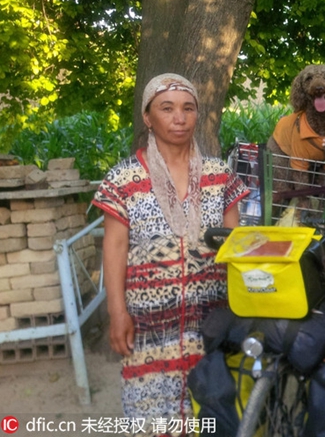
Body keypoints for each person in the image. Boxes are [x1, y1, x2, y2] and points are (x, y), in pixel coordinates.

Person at [93, 73, 248, 424]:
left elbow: (235, 244)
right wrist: (118, 313)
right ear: (148, 118)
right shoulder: (124, 180)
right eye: (167, 108)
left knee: (209, 415)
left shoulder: (218, 175)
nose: (179, 117)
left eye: (188, 108)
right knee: (153, 417)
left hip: (210, 320)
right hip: (149, 323)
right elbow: (115, 248)